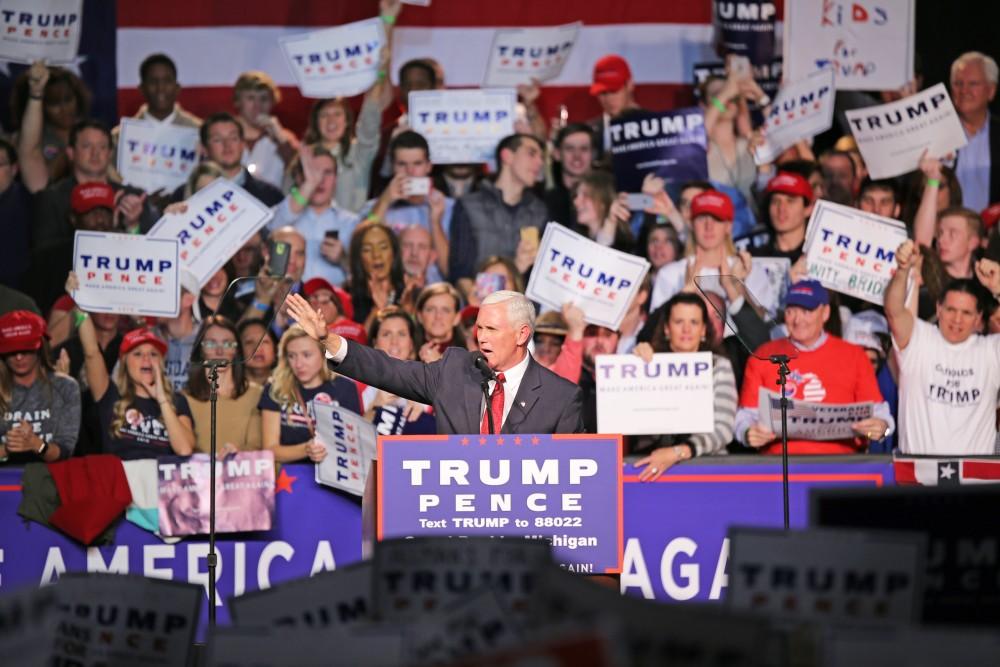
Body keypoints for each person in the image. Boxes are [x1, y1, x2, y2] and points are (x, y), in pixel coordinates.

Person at [287, 290, 584, 434]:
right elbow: (389, 371)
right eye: (479, 328)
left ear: (522, 334)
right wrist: (328, 339)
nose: (481, 338)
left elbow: (576, 477)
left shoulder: (560, 398)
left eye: (492, 330)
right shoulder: (455, 370)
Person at [735, 280, 893, 455]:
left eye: (806, 311)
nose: (797, 319)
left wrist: (882, 429)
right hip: (779, 466)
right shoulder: (762, 356)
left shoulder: (855, 356)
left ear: (825, 313)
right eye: (791, 311)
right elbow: (745, 416)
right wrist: (748, 433)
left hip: (842, 466)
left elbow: (881, 414)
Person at [885, 240, 1000, 455]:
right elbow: (894, 311)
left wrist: (999, 289)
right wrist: (902, 270)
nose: (957, 319)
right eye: (950, 310)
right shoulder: (919, 339)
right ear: (938, 309)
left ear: (978, 318)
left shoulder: (991, 352)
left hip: (974, 484)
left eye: (966, 313)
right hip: (918, 481)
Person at [301, 0, 399, 212]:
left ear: (348, 121)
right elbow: (290, 198)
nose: (331, 120)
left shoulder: (359, 153)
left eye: (337, 114)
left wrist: (387, 23)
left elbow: (373, 106)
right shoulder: (301, 158)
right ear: (315, 122)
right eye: (324, 115)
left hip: (350, 239)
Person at [631, 294, 737, 480]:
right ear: (666, 328)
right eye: (679, 321)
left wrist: (678, 452)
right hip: (651, 467)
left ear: (704, 329)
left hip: (707, 468)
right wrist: (636, 366)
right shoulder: (648, 365)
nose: (686, 329)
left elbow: (724, 430)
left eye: (694, 322)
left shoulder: (719, 366)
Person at [76, 314, 195, 459]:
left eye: (153, 354)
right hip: (121, 479)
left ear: (161, 363)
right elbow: (91, 352)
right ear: (125, 362)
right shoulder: (110, 395)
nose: (146, 359)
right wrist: (80, 306)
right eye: (138, 354)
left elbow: (184, 449)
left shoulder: (177, 401)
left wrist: (162, 399)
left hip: (158, 480)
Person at [448, 134, 548, 294]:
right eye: (531, 153)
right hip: (480, 311)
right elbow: (461, 274)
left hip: (522, 311)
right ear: (507, 156)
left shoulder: (539, 210)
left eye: (541, 157)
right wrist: (481, 307)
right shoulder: (469, 205)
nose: (540, 162)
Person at [32, 119, 151, 248]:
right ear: (71, 153)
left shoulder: (132, 199)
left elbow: (150, 254)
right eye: (87, 146)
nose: (95, 153)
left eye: (102, 147)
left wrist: (132, 226)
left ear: (110, 154)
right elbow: (43, 256)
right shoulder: (52, 199)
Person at [258, 325, 363, 463]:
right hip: (292, 478)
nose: (298, 364)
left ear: (323, 353)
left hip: (336, 476)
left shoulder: (345, 388)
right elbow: (270, 449)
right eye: (292, 356)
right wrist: (306, 449)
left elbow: (354, 443)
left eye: (306, 355)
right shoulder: (275, 389)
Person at [268, 144, 360, 287]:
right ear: (298, 177)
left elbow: (365, 273)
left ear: (336, 178)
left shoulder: (351, 222)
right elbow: (273, 229)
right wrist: (310, 184)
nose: (320, 180)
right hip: (286, 301)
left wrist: (343, 259)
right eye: (312, 172)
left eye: (327, 172)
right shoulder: (282, 213)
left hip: (331, 303)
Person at [363, 130, 452, 278]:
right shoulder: (375, 207)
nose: (410, 172)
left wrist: (436, 222)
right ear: (392, 167)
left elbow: (450, 269)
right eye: (402, 164)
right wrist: (385, 202)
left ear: (429, 166)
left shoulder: (450, 208)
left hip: (436, 293)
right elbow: (362, 247)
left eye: (417, 163)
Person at [0, 311, 80, 464]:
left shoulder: (65, 387)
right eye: (12, 351)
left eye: (25, 350)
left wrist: (37, 445)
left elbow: (65, 451)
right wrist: (8, 448)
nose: (19, 357)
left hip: (50, 479)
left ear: (40, 348)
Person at [111, 53, 202, 185]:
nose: (161, 88)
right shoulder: (118, 137)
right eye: (153, 82)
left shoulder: (199, 132)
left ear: (177, 88)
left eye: (167, 81)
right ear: (141, 89)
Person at [184, 315, 262, 453]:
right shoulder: (185, 398)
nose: (219, 351)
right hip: (200, 473)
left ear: (236, 350)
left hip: (243, 472)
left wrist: (236, 454)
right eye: (211, 344)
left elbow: (257, 446)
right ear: (200, 350)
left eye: (227, 344)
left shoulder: (256, 394)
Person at [175, 112, 283, 206]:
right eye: (217, 139)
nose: (227, 145)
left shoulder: (269, 196)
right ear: (204, 149)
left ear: (242, 144)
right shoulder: (184, 196)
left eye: (233, 138)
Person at [10, 63, 89, 182]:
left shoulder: (93, 132)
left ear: (78, 97)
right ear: (42, 107)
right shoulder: (29, 139)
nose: (64, 109)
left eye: (68, 99)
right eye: (54, 103)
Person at [363, 306, 435, 434]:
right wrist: (375, 407)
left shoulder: (431, 387)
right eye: (386, 334)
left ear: (411, 344)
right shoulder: (358, 387)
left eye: (401, 334)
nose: (394, 342)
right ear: (375, 344)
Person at [231, 71, 299, 189]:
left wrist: (280, 138)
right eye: (250, 98)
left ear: (273, 102)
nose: (257, 105)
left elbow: (301, 173)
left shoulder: (284, 138)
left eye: (264, 98)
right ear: (238, 101)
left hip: (272, 205)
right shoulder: (222, 135)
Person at [950, 52, 1000, 212]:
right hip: (944, 233)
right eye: (958, 83)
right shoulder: (937, 133)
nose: (964, 90)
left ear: (991, 91)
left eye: (973, 84)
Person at [347, 220, 407, 328]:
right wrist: (377, 309)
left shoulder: (409, 293)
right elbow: (352, 343)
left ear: (394, 253)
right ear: (359, 258)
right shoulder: (347, 297)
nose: (376, 255)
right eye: (367, 249)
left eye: (383, 247)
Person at [587, 54, 643, 158]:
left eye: (614, 91)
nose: (608, 99)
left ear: (630, 85)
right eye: (602, 93)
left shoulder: (656, 125)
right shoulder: (588, 132)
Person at [545, 123, 595, 228]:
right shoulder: (542, 202)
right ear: (557, 154)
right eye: (570, 149)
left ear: (593, 154)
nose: (577, 156)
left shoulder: (605, 199)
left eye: (584, 149)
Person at [572, 170, 635, 252]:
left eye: (585, 195)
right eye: (576, 195)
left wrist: (610, 223)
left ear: (603, 202)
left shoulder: (625, 246)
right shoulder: (574, 242)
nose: (576, 202)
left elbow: (602, 256)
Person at [532, 305, 586, 385]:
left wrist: (576, 328)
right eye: (540, 341)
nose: (546, 348)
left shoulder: (563, 377)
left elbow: (572, 352)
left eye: (554, 344)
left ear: (563, 347)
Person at [414, 282, 464, 363]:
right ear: (420, 316)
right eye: (430, 309)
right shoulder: (407, 352)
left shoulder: (470, 358)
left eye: (445, 310)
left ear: (457, 318)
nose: (438, 316)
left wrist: (439, 364)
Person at [238, 318, 278, 386]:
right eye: (249, 342)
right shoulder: (225, 389)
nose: (258, 348)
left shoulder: (289, 387)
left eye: (265, 342)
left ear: (275, 350)